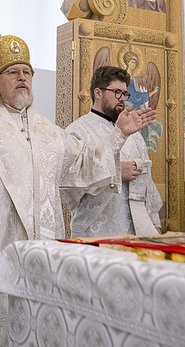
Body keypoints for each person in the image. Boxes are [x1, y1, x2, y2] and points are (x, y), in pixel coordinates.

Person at [0, 34, 156, 347]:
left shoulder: (49, 133)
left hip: (42, 262)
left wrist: (118, 134)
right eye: (13, 72)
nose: (22, 78)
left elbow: (85, 163)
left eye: (27, 72)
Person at [63, 66, 163, 237]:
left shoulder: (135, 134)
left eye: (125, 94)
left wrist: (154, 226)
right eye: (117, 92)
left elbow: (147, 184)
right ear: (98, 93)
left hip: (137, 233)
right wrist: (115, 171)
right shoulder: (77, 132)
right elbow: (69, 185)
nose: (122, 99)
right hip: (96, 233)